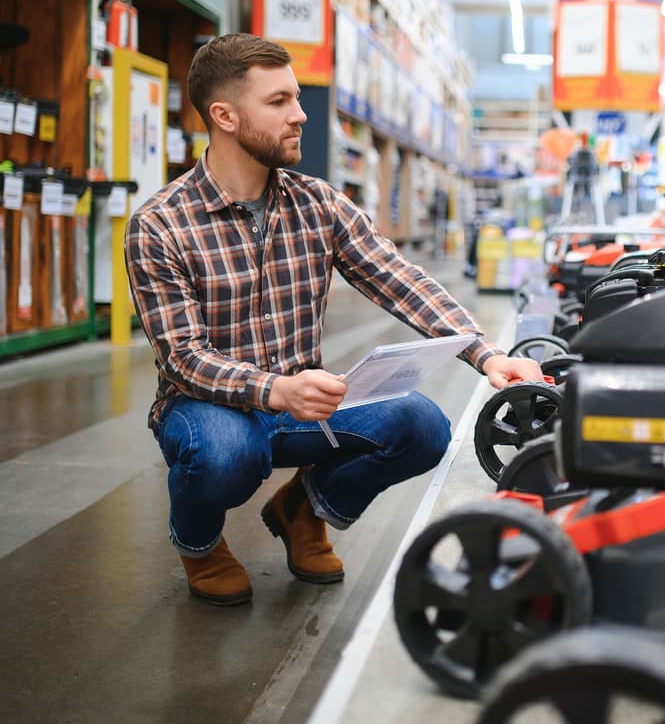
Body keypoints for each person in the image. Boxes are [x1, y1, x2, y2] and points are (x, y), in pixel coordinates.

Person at [125, 34, 542, 606]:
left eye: (296, 98)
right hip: (208, 406)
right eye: (278, 102)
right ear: (224, 115)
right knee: (226, 457)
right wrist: (276, 390)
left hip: (304, 402)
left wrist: (486, 354)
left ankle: (304, 507)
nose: (300, 116)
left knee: (422, 427)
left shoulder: (318, 204)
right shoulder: (160, 224)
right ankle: (199, 545)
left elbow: (400, 280)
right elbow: (182, 356)